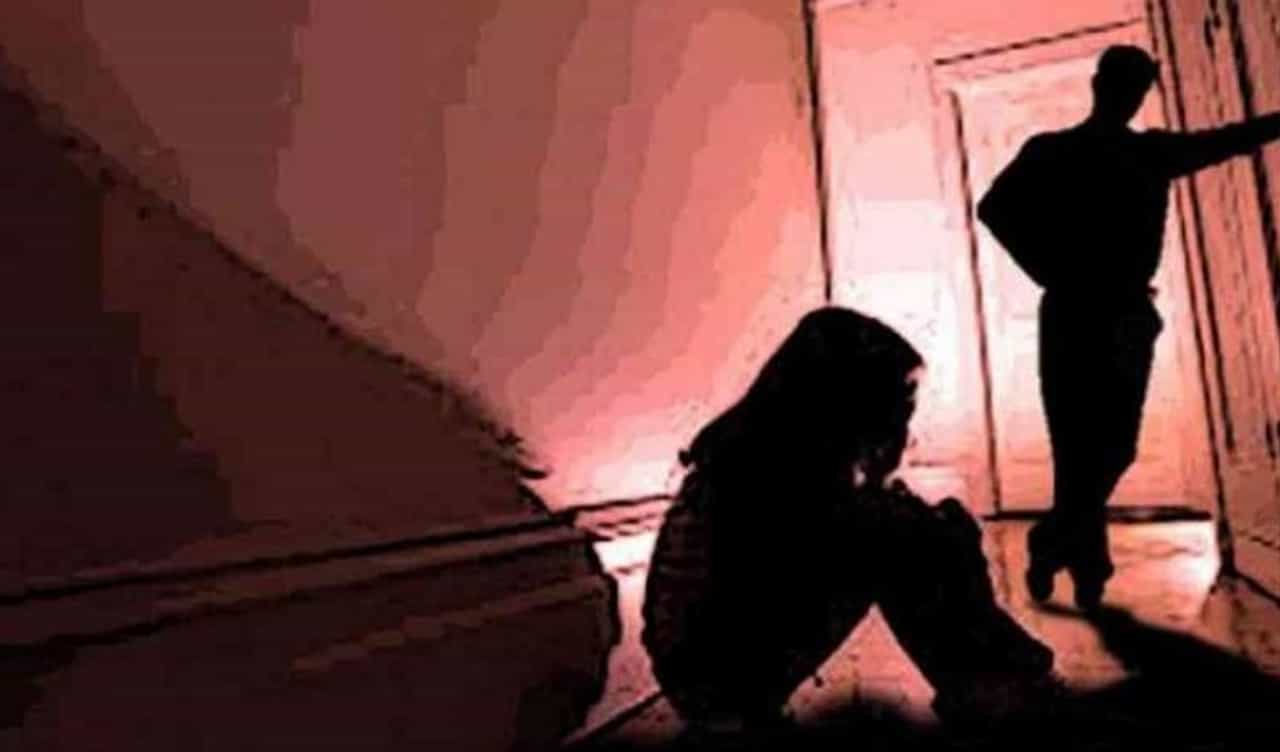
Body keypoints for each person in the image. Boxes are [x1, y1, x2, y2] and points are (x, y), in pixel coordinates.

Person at [640, 307, 1056, 736]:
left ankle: (995, 674)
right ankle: (992, 684)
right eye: (903, 403)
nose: (907, 424)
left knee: (913, 529)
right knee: (911, 535)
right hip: (721, 681)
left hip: (701, 673)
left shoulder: (752, 451)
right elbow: (865, 532)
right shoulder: (773, 473)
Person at [977, 45, 1280, 611]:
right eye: (1124, 85)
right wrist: (1050, 268)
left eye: (1137, 87)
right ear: (1100, 86)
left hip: (1121, 313)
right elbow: (994, 208)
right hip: (1074, 309)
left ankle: (1053, 541)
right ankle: (1087, 565)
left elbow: (1229, 139)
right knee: (1078, 447)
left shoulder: (1150, 152)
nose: (1129, 96)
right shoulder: (1053, 149)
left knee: (1112, 446)